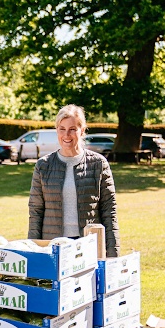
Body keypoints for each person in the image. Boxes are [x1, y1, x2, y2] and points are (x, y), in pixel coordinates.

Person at [28, 104, 119, 256]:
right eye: (61, 129)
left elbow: (109, 212)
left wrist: (112, 255)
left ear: (82, 131)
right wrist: (33, 252)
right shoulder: (43, 166)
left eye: (72, 129)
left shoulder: (99, 164)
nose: (66, 135)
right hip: (53, 247)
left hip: (88, 247)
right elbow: (35, 212)